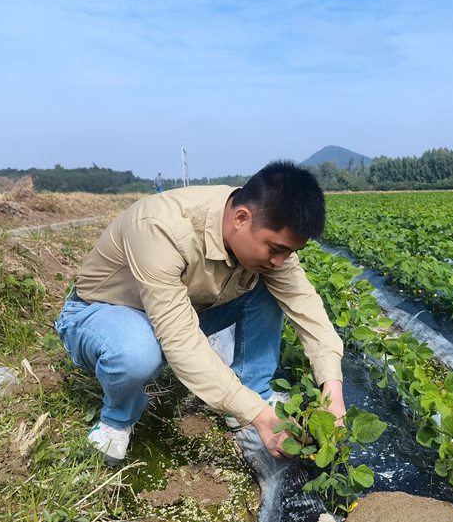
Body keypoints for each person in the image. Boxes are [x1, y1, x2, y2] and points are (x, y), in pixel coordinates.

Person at [55, 160, 346, 465]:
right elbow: (180, 340)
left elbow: (307, 308)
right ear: (241, 219)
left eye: (289, 252)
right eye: (275, 249)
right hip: (103, 312)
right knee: (138, 352)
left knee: (269, 286)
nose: (280, 261)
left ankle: (254, 392)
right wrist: (259, 417)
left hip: (181, 309)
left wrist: (332, 391)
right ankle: (117, 418)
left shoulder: (259, 231)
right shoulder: (161, 227)